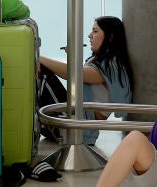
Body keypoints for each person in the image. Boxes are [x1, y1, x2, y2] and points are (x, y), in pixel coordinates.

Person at [38, 16, 133, 145]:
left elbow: (74, 74)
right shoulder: (104, 62)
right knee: (40, 69)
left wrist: (36, 57)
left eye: (95, 31)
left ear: (110, 37)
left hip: (77, 131)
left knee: (43, 71)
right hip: (74, 122)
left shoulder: (111, 67)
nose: (89, 35)